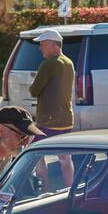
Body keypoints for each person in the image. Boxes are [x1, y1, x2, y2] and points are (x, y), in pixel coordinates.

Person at [28, 28, 75, 187]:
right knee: (65, 158)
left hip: (48, 120)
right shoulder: (68, 62)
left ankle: (45, 188)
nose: (40, 48)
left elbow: (34, 90)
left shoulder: (48, 64)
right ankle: (70, 188)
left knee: (35, 151)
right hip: (67, 119)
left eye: (43, 44)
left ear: (54, 45)